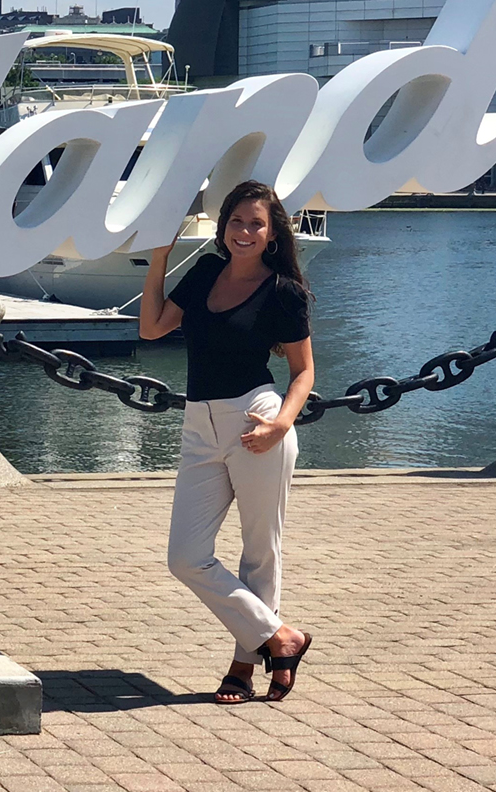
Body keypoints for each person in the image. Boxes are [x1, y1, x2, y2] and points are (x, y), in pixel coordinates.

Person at [138, 180, 317, 705]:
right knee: (185, 556)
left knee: (260, 552)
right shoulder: (205, 273)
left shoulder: (282, 291)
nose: (244, 232)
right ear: (222, 228)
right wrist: (158, 260)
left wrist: (281, 425)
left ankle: (244, 664)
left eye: (256, 224)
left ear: (272, 233)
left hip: (256, 419)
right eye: (236, 221)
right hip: (200, 425)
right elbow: (151, 328)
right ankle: (282, 638)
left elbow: (303, 372)